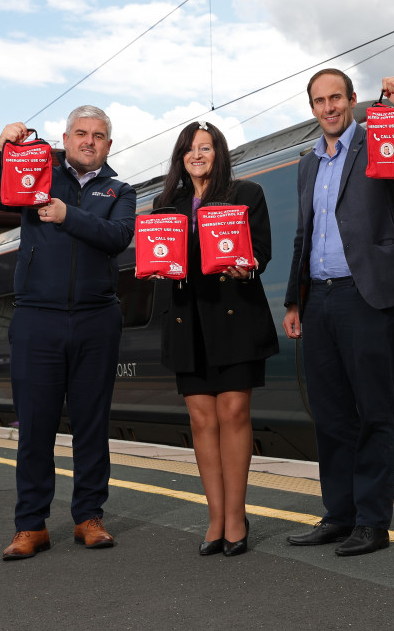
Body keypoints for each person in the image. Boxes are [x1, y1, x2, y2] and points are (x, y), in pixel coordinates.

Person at [282, 69, 394, 556]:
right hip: (320, 299)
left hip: (367, 295)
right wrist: (294, 299)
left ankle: (372, 522)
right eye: (318, 101)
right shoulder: (307, 165)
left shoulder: (378, 141)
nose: (328, 107)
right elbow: (303, 236)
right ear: (312, 108)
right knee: (329, 414)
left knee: (373, 411)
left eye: (336, 98)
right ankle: (339, 514)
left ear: (352, 100)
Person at [0, 106, 136, 560]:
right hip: (36, 319)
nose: (89, 141)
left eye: (98, 135)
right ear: (65, 137)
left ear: (108, 142)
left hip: (97, 319)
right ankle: (31, 526)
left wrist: (66, 215)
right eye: (81, 133)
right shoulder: (37, 175)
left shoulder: (121, 189)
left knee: (91, 426)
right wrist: (1, 146)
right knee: (36, 429)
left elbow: (117, 237)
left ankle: (88, 517)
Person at [153, 120, 278, 557]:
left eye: (205, 147)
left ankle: (236, 516)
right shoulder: (165, 204)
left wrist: (248, 265)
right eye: (189, 149)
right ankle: (215, 517)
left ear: (218, 152)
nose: (197, 155)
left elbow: (261, 251)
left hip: (235, 316)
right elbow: (162, 260)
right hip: (188, 321)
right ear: (181, 158)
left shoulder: (247, 194)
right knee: (202, 421)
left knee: (234, 412)